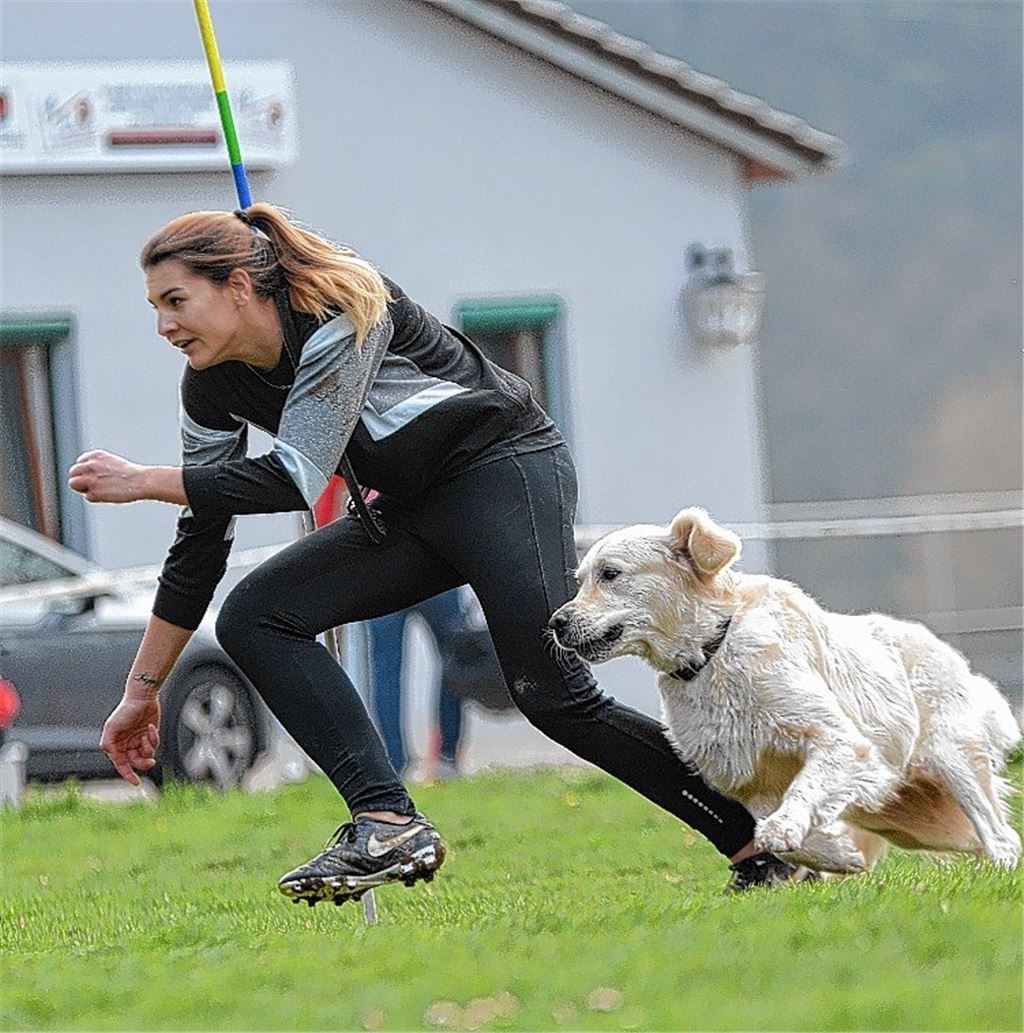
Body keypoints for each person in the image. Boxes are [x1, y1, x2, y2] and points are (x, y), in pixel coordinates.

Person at [69, 204, 811, 904]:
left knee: (552, 697)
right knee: (256, 614)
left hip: (503, 470)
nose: (164, 325)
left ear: (237, 286)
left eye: (176, 301)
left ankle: (765, 842)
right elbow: (200, 540)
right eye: (154, 307)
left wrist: (146, 481)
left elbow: (296, 475)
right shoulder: (209, 386)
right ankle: (387, 821)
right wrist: (142, 690)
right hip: (412, 504)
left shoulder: (337, 310)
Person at [366, 588, 465, 782]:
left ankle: (393, 763)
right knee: (454, 661)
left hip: (382, 583)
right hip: (436, 579)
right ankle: (446, 758)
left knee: (386, 673)